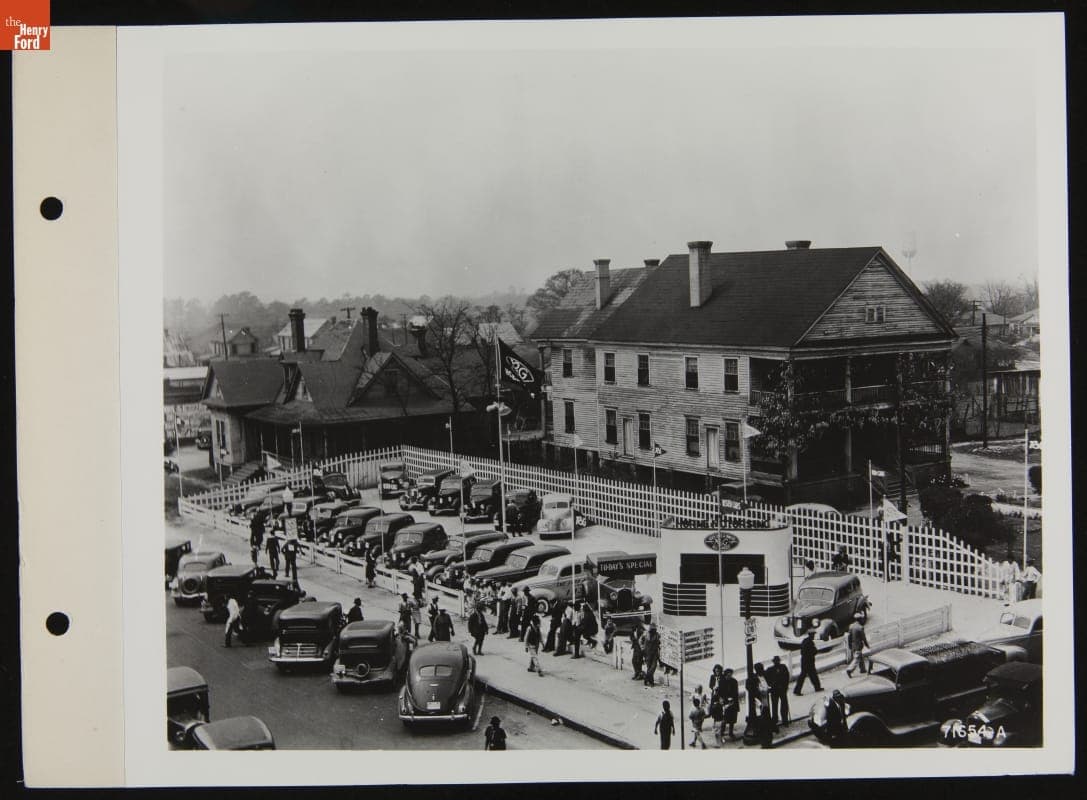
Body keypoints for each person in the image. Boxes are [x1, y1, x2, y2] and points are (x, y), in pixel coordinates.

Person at [793, 629, 822, 695]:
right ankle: (817, 687)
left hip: (804, 661)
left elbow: (802, 651)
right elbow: (814, 651)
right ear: (811, 635)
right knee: (812, 675)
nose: (814, 636)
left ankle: (797, 690)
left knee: (806, 675)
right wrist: (813, 652)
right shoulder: (810, 642)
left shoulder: (805, 641)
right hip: (809, 662)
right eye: (813, 634)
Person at [767, 655, 791, 727]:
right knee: (775, 706)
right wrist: (771, 686)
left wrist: (785, 686)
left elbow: (787, 677)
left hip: (781, 689)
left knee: (783, 705)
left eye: (777, 661)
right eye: (775, 661)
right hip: (775, 690)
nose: (776, 662)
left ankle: (784, 720)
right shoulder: (770, 669)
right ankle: (775, 720)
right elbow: (767, 679)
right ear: (773, 662)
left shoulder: (783, 667)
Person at [845, 613, 870, 677]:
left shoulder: (851, 626)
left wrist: (850, 645)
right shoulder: (860, 628)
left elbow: (849, 637)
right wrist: (867, 645)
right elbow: (863, 638)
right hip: (858, 646)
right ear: (859, 619)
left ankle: (862, 669)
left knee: (860, 657)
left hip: (853, 645)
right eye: (861, 619)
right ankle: (849, 670)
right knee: (856, 658)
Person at [720, 668, 740, 740]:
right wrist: (724, 700)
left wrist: (733, 699)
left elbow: (736, 692)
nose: (730, 676)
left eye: (731, 674)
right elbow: (720, 692)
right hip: (725, 703)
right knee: (724, 719)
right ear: (725, 674)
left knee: (733, 719)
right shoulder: (722, 682)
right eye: (728, 675)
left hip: (733, 703)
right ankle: (721, 732)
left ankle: (731, 732)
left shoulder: (734, 681)